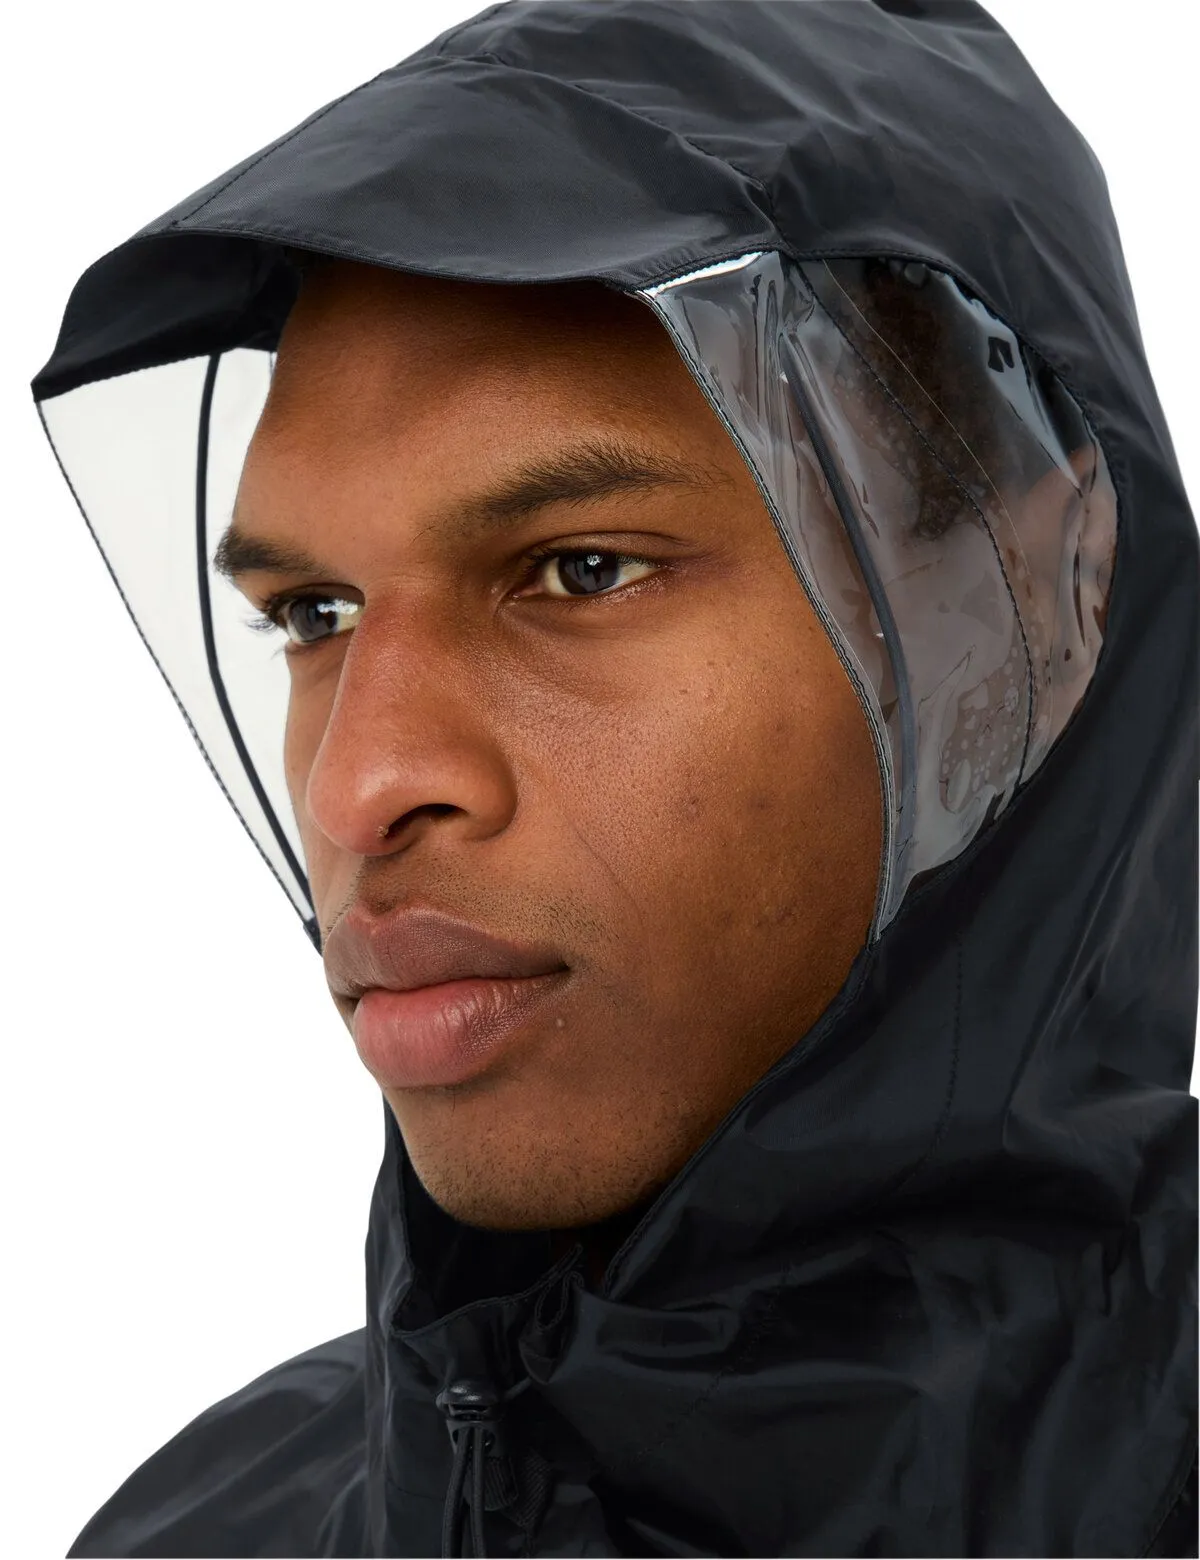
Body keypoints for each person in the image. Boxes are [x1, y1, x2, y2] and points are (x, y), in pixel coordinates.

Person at [34, 2, 1196, 1556]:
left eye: (582, 570)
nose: (360, 786)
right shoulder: (197, 1530)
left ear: (1038, 594)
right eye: (313, 615)